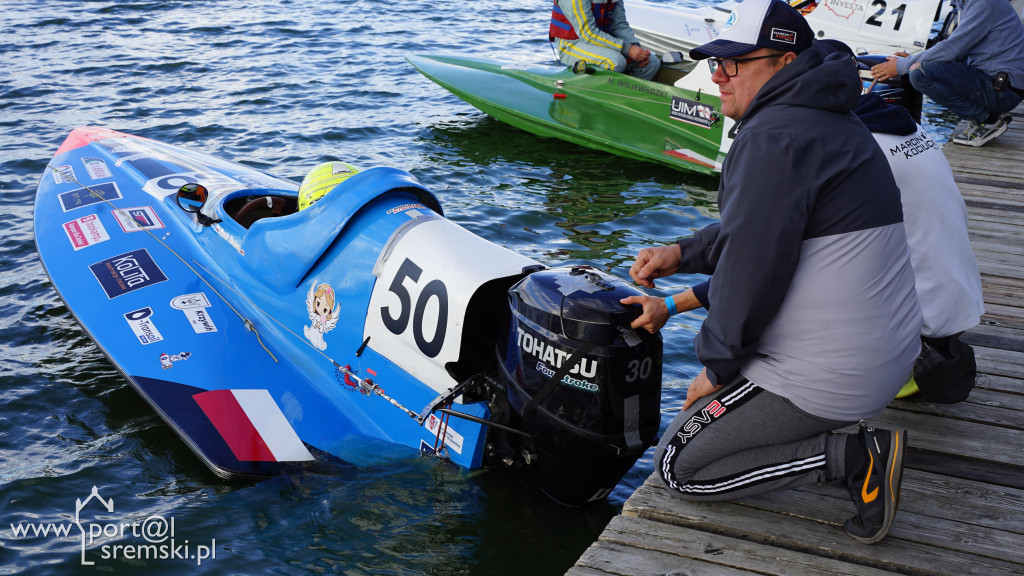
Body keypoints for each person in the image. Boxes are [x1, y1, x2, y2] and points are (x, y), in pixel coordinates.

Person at [619, 0, 922, 544]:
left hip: (830, 372)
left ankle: (853, 458)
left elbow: (752, 272)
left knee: (677, 466)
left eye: (734, 63)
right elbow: (766, 230)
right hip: (885, 355)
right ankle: (837, 440)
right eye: (714, 62)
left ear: (783, 63)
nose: (717, 75)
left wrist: (715, 370)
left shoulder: (774, 136)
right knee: (701, 431)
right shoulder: (822, 116)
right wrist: (683, 253)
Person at [655, 39, 986, 404]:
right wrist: (680, 267)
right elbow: (764, 238)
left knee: (766, 308)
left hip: (908, 330)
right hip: (953, 306)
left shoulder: (842, 146)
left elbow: (766, 256)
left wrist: (675, 308)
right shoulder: (901, 126)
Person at [869, 0, 1024, 147]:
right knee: (920, 66)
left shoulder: (984, 3)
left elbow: (952, 49)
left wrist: (902, 66)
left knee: (919, 74)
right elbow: (956, 49)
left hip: (1005, 90)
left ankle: (988, 120)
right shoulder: (965, 3)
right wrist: (913, 59)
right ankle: (992, 112)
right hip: (1001, 84)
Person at [548, 0, 660, 80]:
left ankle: (628, 98)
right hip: (571, 44)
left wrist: (636, 48)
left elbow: (619, 25)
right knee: (615, 62)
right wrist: (627, 49)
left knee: (652, 63)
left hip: (600, 42)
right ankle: (600, 95)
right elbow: (588, 33)